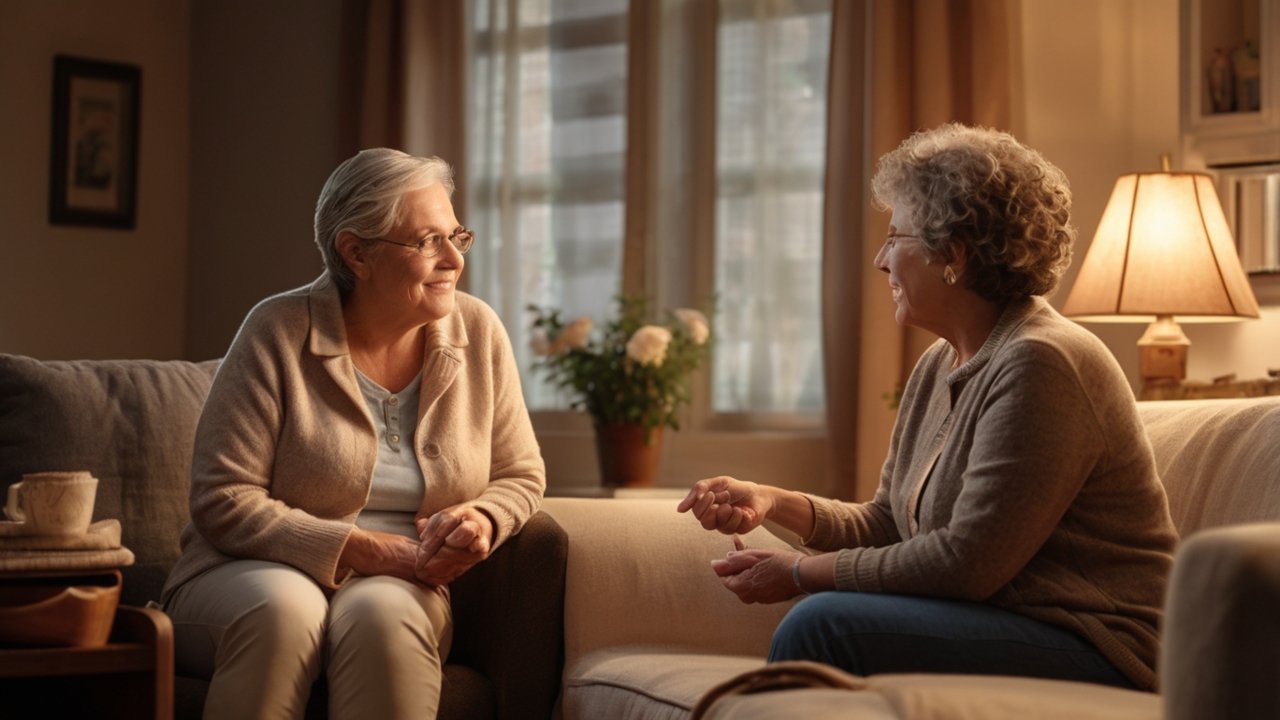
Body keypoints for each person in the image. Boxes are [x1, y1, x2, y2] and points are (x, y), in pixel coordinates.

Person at [677, 123, 1177, 692]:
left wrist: (799, 573)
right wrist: (774, 502)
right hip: (1009, 620)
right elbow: (889, 524)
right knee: (824, 620)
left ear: (954, 254)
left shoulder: (1044, 363)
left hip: (1101, 642)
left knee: (824, 624)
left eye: (896, 237)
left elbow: (967, 563)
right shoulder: (941, 362)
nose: (880, 261)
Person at [161, 148, 546, 719]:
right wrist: (361, 548)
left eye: (456, 236)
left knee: (384, 621)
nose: (453, 261)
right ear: (355, 253)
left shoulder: (478, 331)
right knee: (283, 612)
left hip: (407, 579)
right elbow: (222, 498)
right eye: (426, 242)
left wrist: (483, 517)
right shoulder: (277, 331)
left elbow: (520, 473)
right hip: (250, 570)